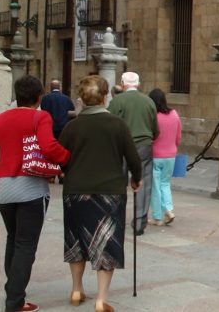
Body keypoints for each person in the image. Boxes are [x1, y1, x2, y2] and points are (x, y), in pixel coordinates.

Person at [0, 75, 71, 312]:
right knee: (26, 245)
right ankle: (15, 301)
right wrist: (68, 159)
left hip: (5, 189)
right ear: (39, 97)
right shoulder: (41, 116)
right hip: (31, 189)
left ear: (17, 96)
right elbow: (49, 146)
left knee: (13, 240)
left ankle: (12, 291)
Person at [58, 75, 142, 312]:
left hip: (76, 191)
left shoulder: (71, 127)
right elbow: (133, 157)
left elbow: (61, 157)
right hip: (109, 192)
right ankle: (101, 298)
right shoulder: (117, 124)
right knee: (106, 242)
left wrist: (67, 172)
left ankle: (76, 289)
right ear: (105, 97)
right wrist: (136, 178)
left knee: (76, 240)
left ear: (82, 99)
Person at [108, 71, 158, 235]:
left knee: (118, 182)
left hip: (122, 146)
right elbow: (155, 129)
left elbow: (109, 125)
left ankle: (117, 218)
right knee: (144, 181)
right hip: (144, 145)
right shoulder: (148, 101)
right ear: (138, 84)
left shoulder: (117, 101)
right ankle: (139, 223)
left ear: (122, 84)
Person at [147, 88, 182, 226]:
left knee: (155, 187)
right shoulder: (174, 114)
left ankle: (157, 216)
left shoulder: (153, 116)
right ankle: (169, 209)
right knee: (165, 184)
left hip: (155, 155)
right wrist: (174, 147)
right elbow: (178, 136)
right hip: (171, 154)